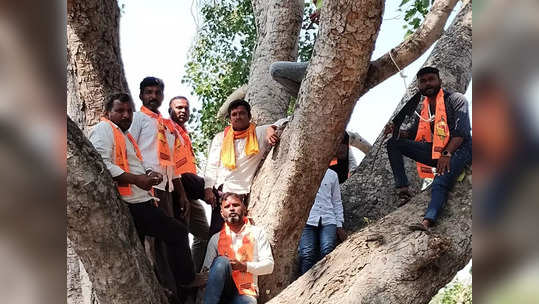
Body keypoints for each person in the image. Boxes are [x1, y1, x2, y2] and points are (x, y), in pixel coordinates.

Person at [88, 93, 203, 298]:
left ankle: (159, 288)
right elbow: (102, 164)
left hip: (141, 198)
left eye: (128, 111)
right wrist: (137, 180)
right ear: (107, 113)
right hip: (134, 203)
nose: (125, 115)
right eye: (119, 111)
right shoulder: (104, 129)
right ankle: (186, 280)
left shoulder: (125, 135)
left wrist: (148, 175)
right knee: (176, 232)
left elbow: (133, 163)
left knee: (140, 252)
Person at [383, 66, 472, 230]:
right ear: (419, 86)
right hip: (436, 149)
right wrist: (396, 131)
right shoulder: (423, 107)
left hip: (460, 149)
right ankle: (403, 191)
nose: (427, 84)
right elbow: (413, 133)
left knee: (440, 180)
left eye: (431, 79)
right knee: (393, 143)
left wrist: (446, 154)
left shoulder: (456, 99)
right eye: (423, 81)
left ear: (440, 81)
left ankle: (428, 221)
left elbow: (462, 132)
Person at [129, 77, 194, 293]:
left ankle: (176, 286)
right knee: (154, 240)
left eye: (157, 92)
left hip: (167, 188)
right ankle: (163, 286)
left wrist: (182, 194)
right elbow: (130, 151)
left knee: (170, 237)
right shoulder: (137, 119)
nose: (153, 96)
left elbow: (172, 163)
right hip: (146, 186)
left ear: (162, 96)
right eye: (148, 92)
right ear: (141, 95)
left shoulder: (166, 126)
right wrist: (142, 178)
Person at [204, 99, 284, 236]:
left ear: (249, 116)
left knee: (239, 235)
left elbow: (286, 120)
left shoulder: (259, 132)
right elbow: (212, 164)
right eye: (234, 114)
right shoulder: (220, 138)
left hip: (241, 193)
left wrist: (272, 129)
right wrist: (208, 188)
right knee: (217, 235)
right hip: (221, 191)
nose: (238, 117)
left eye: (242, 113)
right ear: (230, 119)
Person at [202, 192, 274, 304]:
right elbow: (206, 272)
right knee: (221, 261)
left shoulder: (257, 233)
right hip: (220, 292)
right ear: (222, 213)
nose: (231, 209)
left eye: (235, 205)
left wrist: (245, 266)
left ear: (244, 209)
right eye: (227, 207)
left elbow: (269, 266)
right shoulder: (215, 239)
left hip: (246, 291)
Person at [169, 95, 210, 272]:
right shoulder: (167, 130)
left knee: (205, 236)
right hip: (176, 192)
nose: (183, 111)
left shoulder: (183, 132)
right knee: (179, 238)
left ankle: (197, 271)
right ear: (170, 110)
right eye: (178, 107)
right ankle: (184, 281)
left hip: (189, 192)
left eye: (186, 108)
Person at [269, 0, 322, 97]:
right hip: (320, 65)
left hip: (323, 64)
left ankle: (307, 95)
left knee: (276, 69)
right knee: (283, 86)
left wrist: (324, 12)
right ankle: (307, 96)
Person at [298, 168, 346, 275]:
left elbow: (336, 201)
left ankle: (327, 279)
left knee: (328, 250)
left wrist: (339, 224)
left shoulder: (332, 174)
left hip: (328, 218)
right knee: (307, 254)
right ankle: (305, 286)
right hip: (308, 219)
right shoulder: (303, 172)